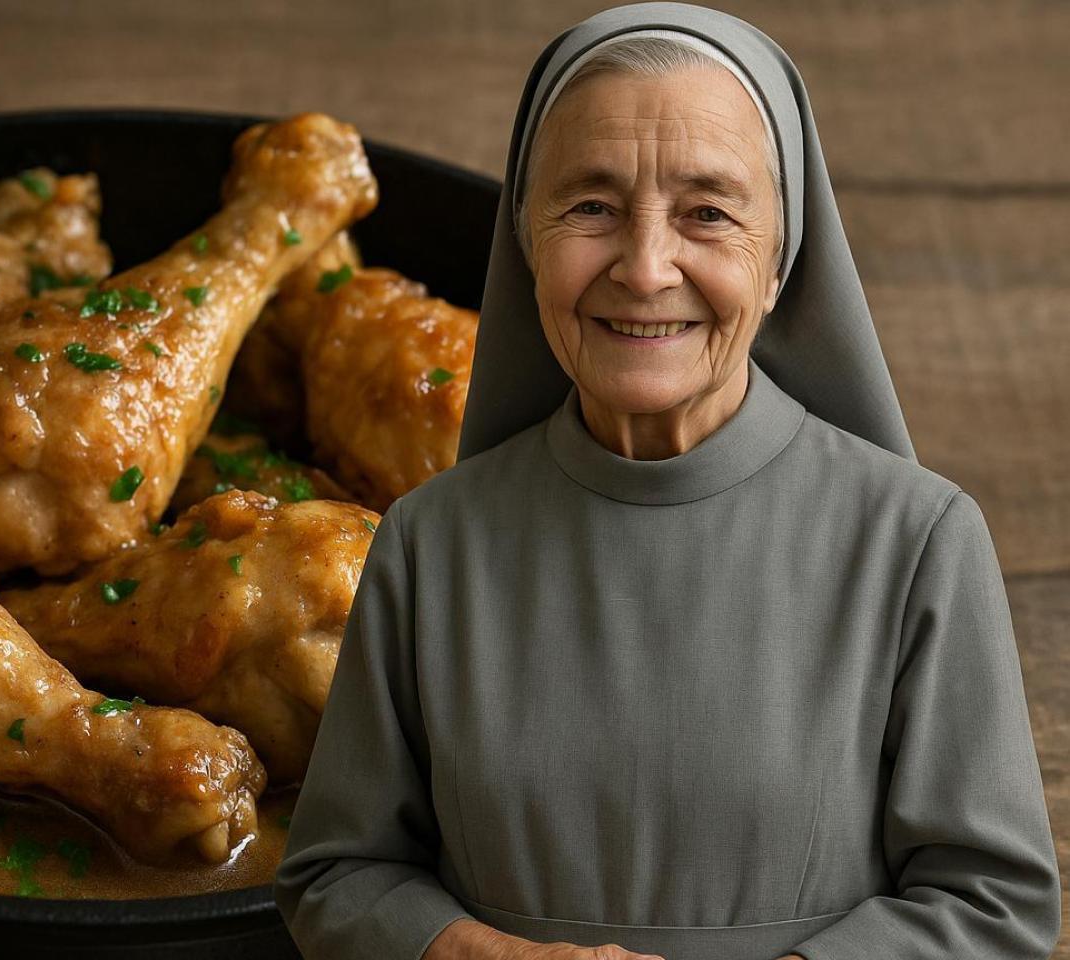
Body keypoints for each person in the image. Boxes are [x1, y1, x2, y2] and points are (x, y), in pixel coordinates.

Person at [272, 4, 1062, 959]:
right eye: (591, 208)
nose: (646, 270)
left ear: (781, 261)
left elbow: (996, 906)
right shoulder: (428, 540)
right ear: (526, 241)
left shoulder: (918, 540)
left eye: (709, 214)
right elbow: (336, 876)